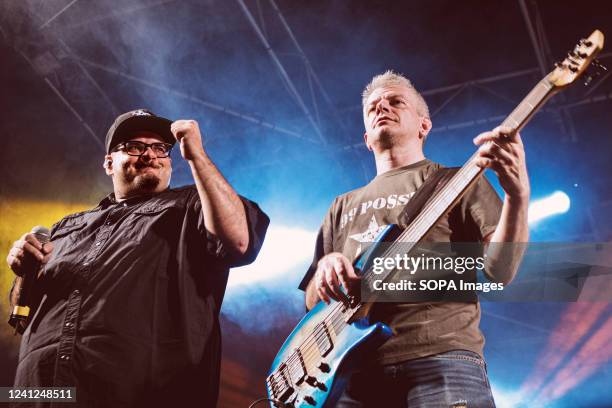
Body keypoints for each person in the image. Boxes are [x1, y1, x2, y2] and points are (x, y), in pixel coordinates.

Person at [6, 109, 269, 407]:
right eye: (134, 147)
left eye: (160, 148)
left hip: (140, 394)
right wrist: (23, 272)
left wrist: (197, 155)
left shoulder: (190, 205)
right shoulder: (64, 228)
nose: (149, 155)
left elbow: (238, 240)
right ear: (108, 163)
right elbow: (20, 316)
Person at [299, 71, 529, 407]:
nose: (383, 107)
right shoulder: (341, 205)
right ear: (366, 138)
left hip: (442, 361)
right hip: (353, 374)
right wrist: (325, 270)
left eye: (395, 102)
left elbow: (500, 273)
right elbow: (309, 304)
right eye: (373, 106)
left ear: (424, 125)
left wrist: (518, 196)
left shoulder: (458, 181)